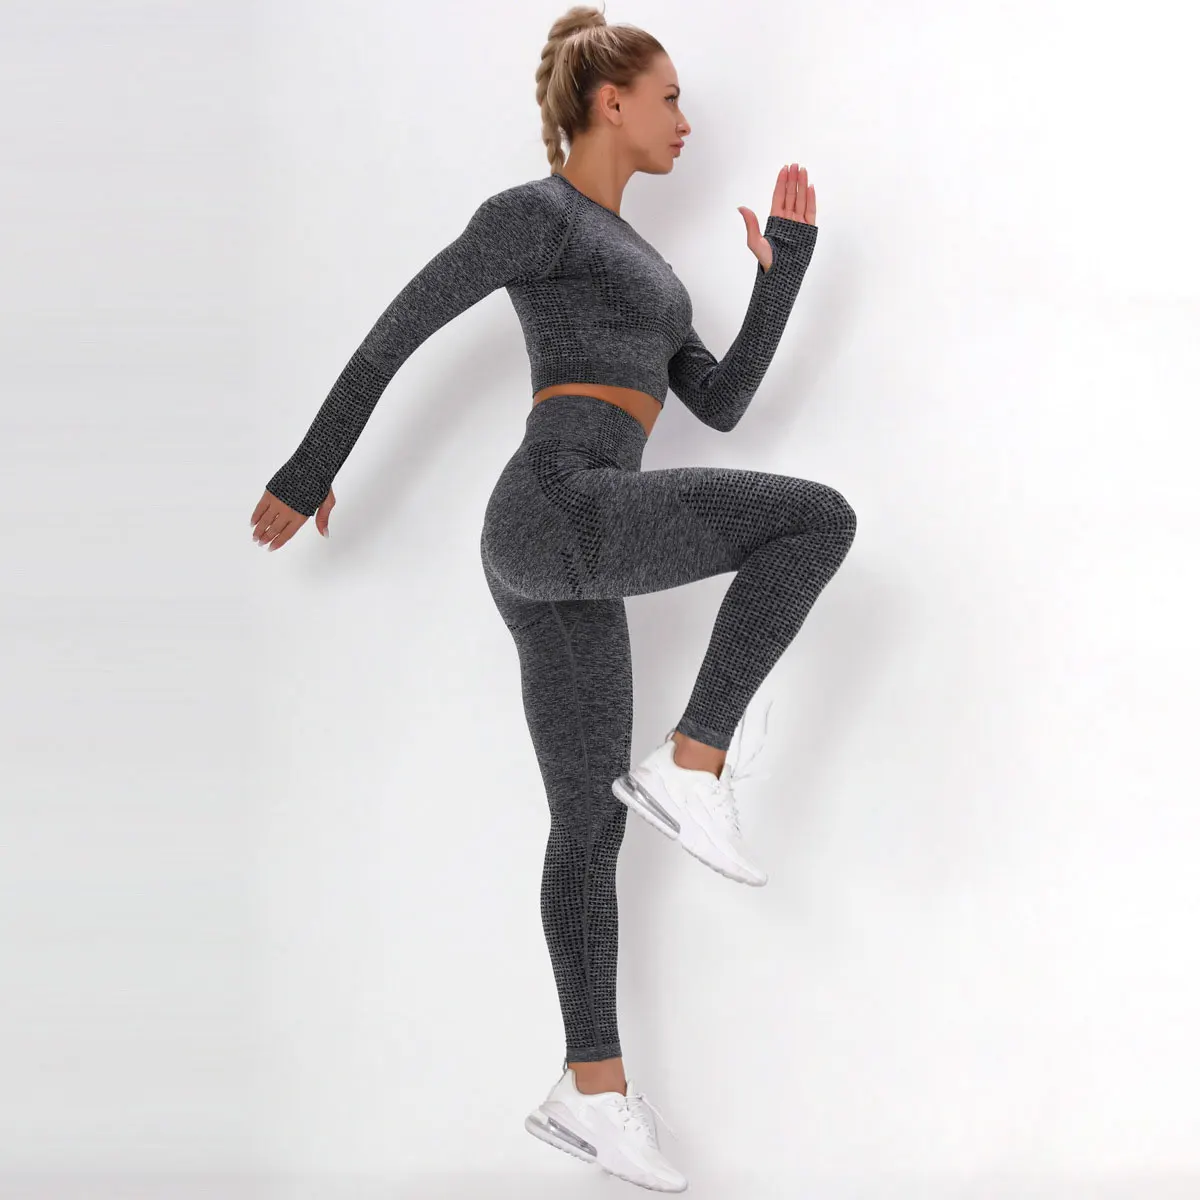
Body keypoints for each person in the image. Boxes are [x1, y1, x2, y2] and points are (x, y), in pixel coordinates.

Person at [249, 5, 855, 1191]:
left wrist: (781, 276)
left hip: (569, 535)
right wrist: (310, 468)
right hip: (555, 505)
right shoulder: (536, 216)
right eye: (669, 97)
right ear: (609, 102)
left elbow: (722, 404)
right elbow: (396, 333)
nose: (687, 120)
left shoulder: (657, 277)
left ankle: (594, 1094)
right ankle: (694, 760)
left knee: (589, 824)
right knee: (814, 520)